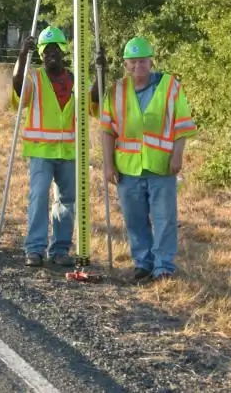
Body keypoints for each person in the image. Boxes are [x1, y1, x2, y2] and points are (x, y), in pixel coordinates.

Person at [100, 36, 197, 282]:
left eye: (142, 61)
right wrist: (109, 164)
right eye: (132, 62)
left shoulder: (169, 86)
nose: (137, 66)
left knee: (164, 219)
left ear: (151, 61)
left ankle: (163, 266)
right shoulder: (117, 90)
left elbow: (182, 125)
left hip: (161, 167)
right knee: (134, 219)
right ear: (125, 64)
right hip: (128, 169)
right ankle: (142, 263)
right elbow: (107, 130)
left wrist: (177, 156)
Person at [12, 27, 105, 267]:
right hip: (42, 151)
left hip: (70, 151)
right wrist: (22, 56)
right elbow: (17, 89)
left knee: (67, 201)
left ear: (63, 50)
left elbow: (94, 101)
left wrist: (100, 71)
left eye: (55, 49)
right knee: (38, 197)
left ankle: (60, 249)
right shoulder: (33, 77)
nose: (51, 54)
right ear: (41, 54)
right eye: (46, 50)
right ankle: (34, 249)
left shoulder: (76, 80)